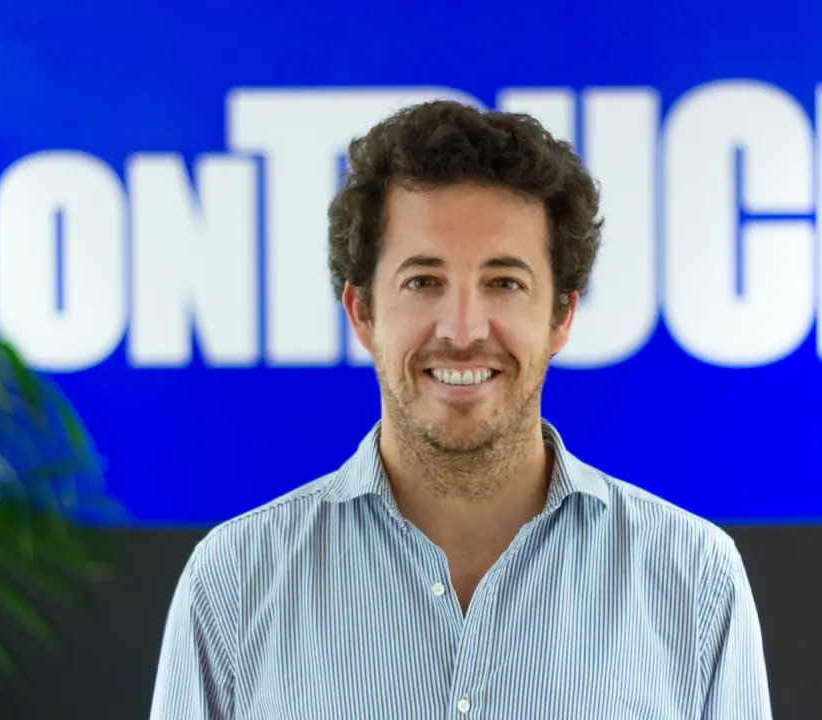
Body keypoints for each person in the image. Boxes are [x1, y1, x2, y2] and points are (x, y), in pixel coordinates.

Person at [149, 100, 772, 719]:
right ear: (362, 313)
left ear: (561, 315)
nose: (463, 328)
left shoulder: (694, 580)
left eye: (505, 283)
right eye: (423, 281)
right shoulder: (234, 583)